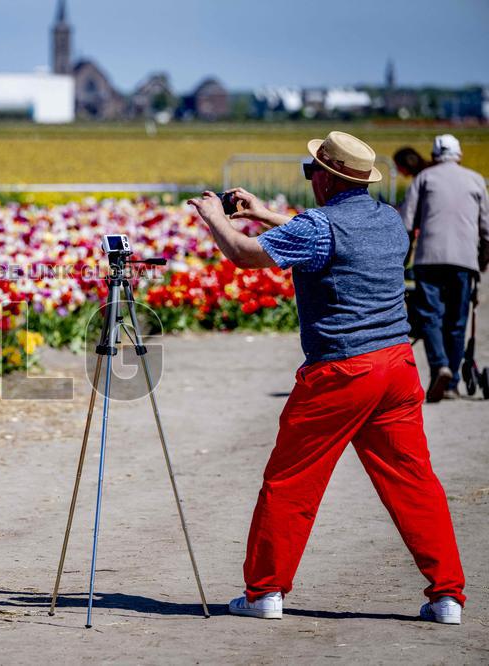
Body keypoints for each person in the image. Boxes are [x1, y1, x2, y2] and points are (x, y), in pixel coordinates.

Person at [188, 130, 466, 624]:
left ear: (324, 178)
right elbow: (325, 239)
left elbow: (246, 255)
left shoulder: (318, 226)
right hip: (398, 366)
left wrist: (214, 219)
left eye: (310, 169)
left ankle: (264, 592)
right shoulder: (387, 220)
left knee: (291, 481)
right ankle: (447, 596)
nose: (309, 176)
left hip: (341, 369)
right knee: (414, 482)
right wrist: (260, 213)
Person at [401, 134, 489, 402]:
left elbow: (407, 223)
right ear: (459, 155)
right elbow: (487, 230)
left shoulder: (423, 179)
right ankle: (452, 384)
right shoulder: (476, 180)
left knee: (430, 316)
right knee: (457, 320)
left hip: (429, 259)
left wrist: (401, 262)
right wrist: (481, 263)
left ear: (436, 155)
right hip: (464, 261)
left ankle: (440, 366)